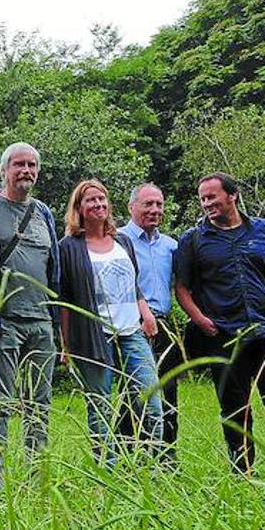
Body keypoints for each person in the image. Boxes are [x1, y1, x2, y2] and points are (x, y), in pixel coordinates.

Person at [59, 179, 162, 465]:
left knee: (151, 403)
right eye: (91, 200)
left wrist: (147, 313)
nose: (98, 205)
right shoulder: (68, 247)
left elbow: (134, 284)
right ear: (78, 207)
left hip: (131, 332)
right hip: (94, 335)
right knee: (100, 407)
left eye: (102, 199)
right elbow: (64, 301)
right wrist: (65, 345)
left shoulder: (123, 241)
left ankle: (149, 466)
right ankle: (107, 468)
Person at [175, 172, 265, 475]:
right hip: (224, 335)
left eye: (212, 196)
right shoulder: (194, 239)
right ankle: (243, 472)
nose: (206, 203)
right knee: (235, 408)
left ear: (233, 195)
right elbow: (182, 287)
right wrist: (200, 320)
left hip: (263, 329)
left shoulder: (261, 231)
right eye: (202, 198)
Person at [0, 142, 59, 457]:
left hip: (40, 319)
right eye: (19, 165)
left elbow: (54, 266)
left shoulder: (43, 212)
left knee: (41, 400)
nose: (26, 171)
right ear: (4, 170)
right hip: (3, 319)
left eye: (32, 165)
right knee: (2, 399)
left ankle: (36, 467)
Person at [118, 183, 180, 461]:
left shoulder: (170, 246)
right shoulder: (118, 240)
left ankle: (166, 456)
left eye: (159, 204)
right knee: (132, 393)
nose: (154, 210)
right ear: (131, 207)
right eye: (148, 204)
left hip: (164, 326)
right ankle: (127, 453)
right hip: (130, 325)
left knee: (167, 390)